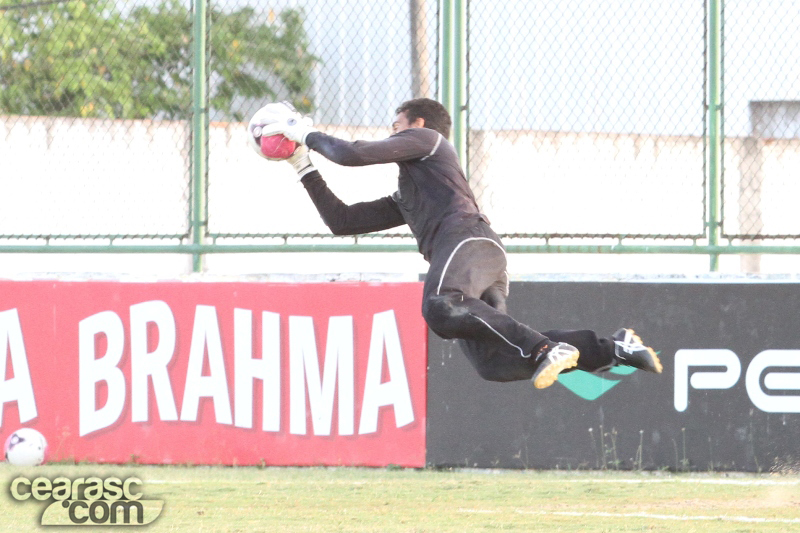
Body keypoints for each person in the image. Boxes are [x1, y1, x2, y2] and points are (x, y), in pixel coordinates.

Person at [254, 98, 662, 389]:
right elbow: (342, 222)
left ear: (417, 126)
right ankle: (613, 350)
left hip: (469, 242)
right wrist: (301, 164)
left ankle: (542, 348)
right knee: (494, 364)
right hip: (473, 261)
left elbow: (352, 154)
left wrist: (302, 131)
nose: (390, 136)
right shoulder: (409, 196)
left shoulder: (429, 141)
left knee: (439, 303)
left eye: (395, 127)